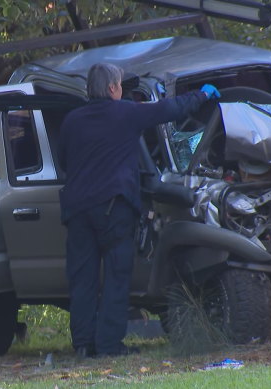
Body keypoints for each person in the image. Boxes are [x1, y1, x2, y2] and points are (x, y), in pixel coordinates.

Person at [58, 63, 220, 358]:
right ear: (112, 88)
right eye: (119, 84)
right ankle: (108, 346)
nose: (121, 89)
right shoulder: (127, 113)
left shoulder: (72, 120)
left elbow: (64, 162)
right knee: (117, 278)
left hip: (77, 211)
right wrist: (202, 95)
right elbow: (169, 109)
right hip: (113, 208)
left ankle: (83, 345)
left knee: (83, 279)